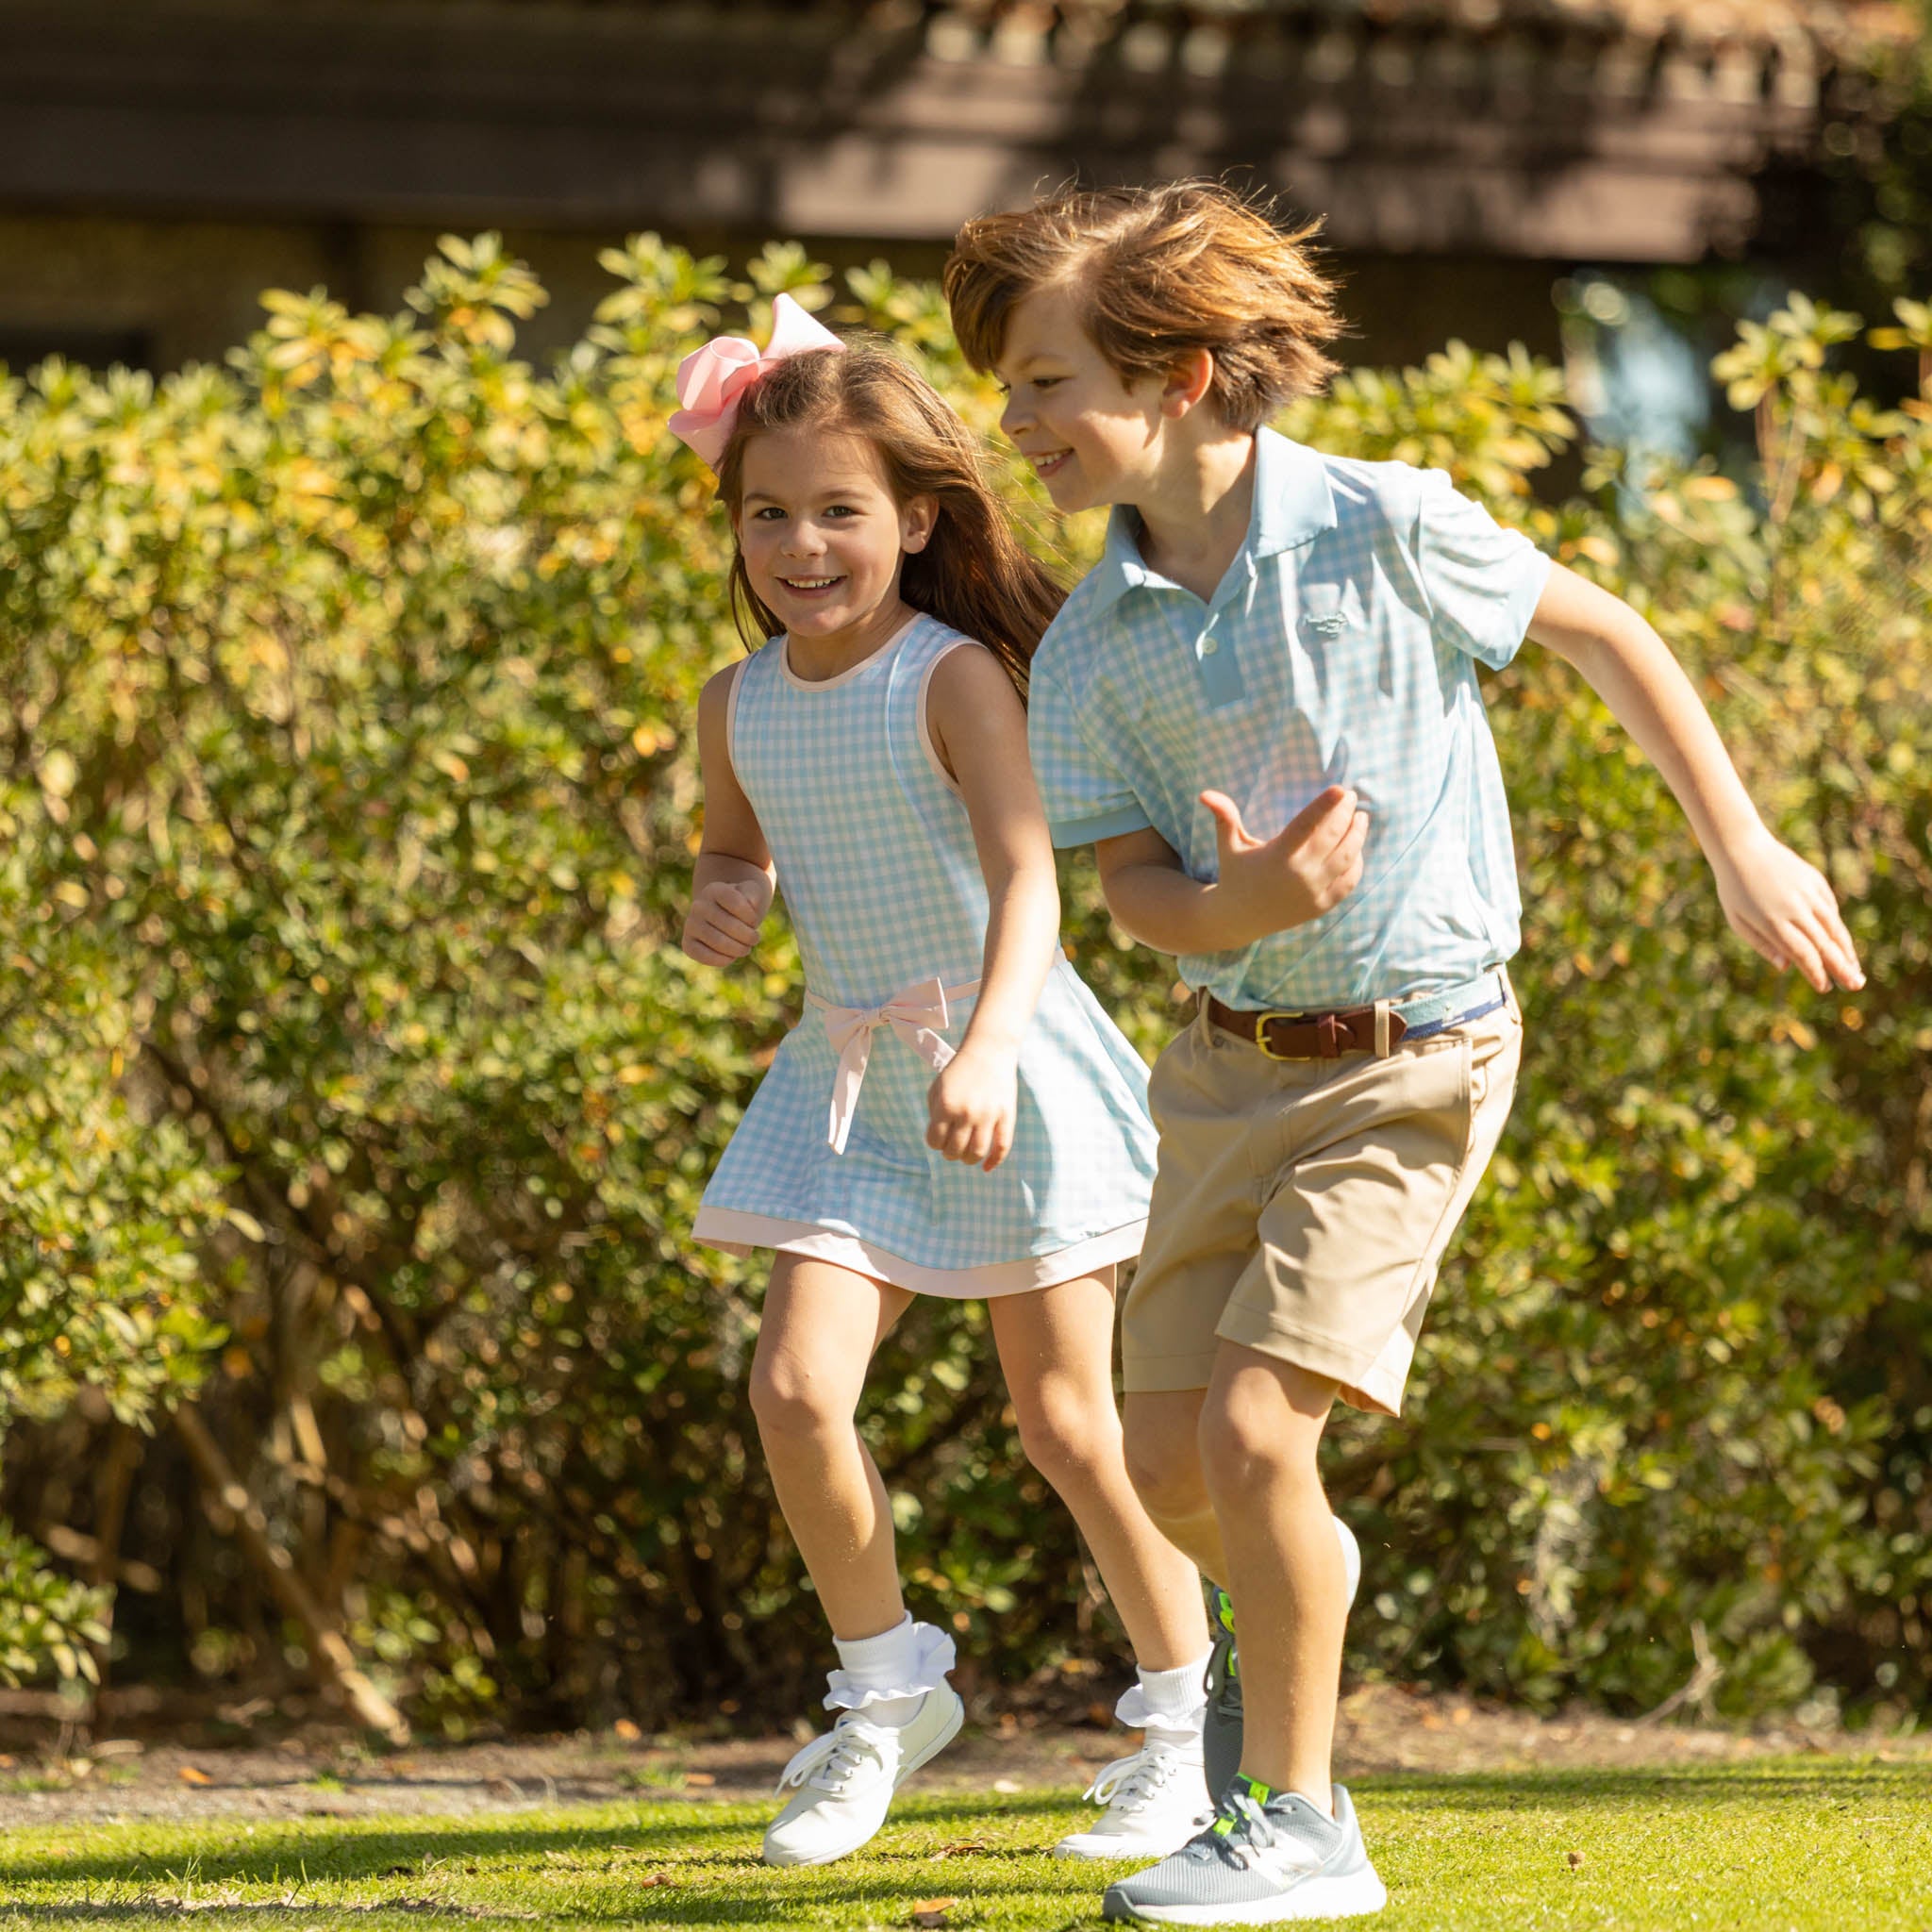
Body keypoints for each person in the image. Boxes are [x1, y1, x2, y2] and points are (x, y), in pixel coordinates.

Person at [942, 183, 1863, 1924]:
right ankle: (1286, 1607)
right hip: (1223, 1071)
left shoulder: (1387, 528)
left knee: (1256, 1432)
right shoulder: (1090, 646)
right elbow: (1134, 884)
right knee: (1163, 1462)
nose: (1020, 422)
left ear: (1188, 374)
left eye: (1049, 380)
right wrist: (1245, 902)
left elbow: (1607, 631)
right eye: (1009, 390)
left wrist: (1740, 841)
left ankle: (1302, 1825)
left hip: (1418, 1054)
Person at [675, 295, 1218, 1870]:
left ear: (916, 520)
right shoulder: (741, 702)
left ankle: (1185, 1721)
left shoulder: (956, 678)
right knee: (792, 1390)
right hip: (846, 1077)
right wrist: (723, 897)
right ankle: (884, 1691)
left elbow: (1030, 880)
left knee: (1065, 1422)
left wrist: (987, 1042)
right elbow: (737, 846)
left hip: (1006, 1064)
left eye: (839, 510)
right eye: (769, 512)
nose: (802, 543)